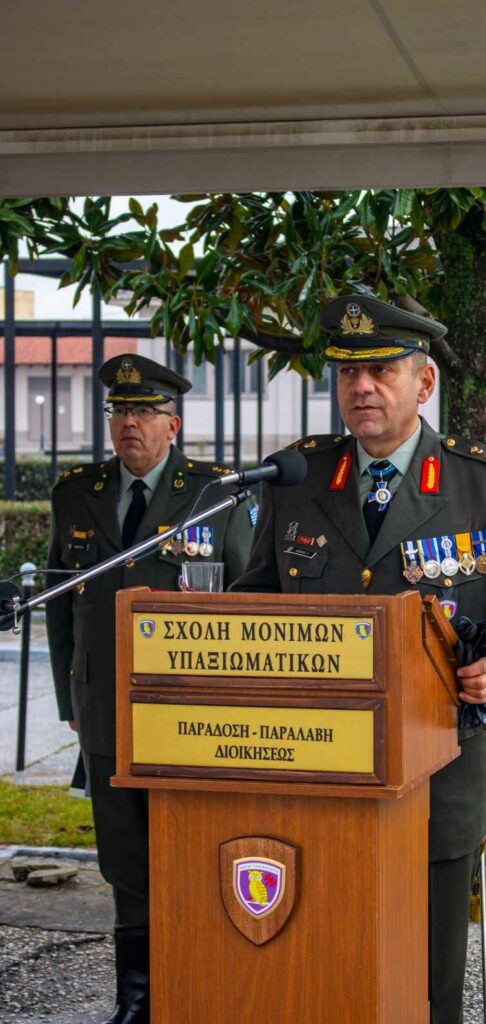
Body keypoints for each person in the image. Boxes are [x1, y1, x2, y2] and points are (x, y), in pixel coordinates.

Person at [232, 295, 486, 1024]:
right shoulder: (299, 479)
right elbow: (255, 598)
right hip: (318, 765)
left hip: (437, 765)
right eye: (348, 373)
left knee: (429, 972)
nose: (361, 388)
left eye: (381, 371)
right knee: (326, 956)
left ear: (424, 383)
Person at [46, 353, 255, 1024]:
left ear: (173, 424)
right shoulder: (77, 493)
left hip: (192, 713)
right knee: (125, 861)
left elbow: (250, 597)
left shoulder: (215, 493)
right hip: (105, 707)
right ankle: (138, 1001)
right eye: (119, 411)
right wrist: (69, 701)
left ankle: (199, 990)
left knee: (193, 851)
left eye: (143, 412)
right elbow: (60, 606)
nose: (129, 424)